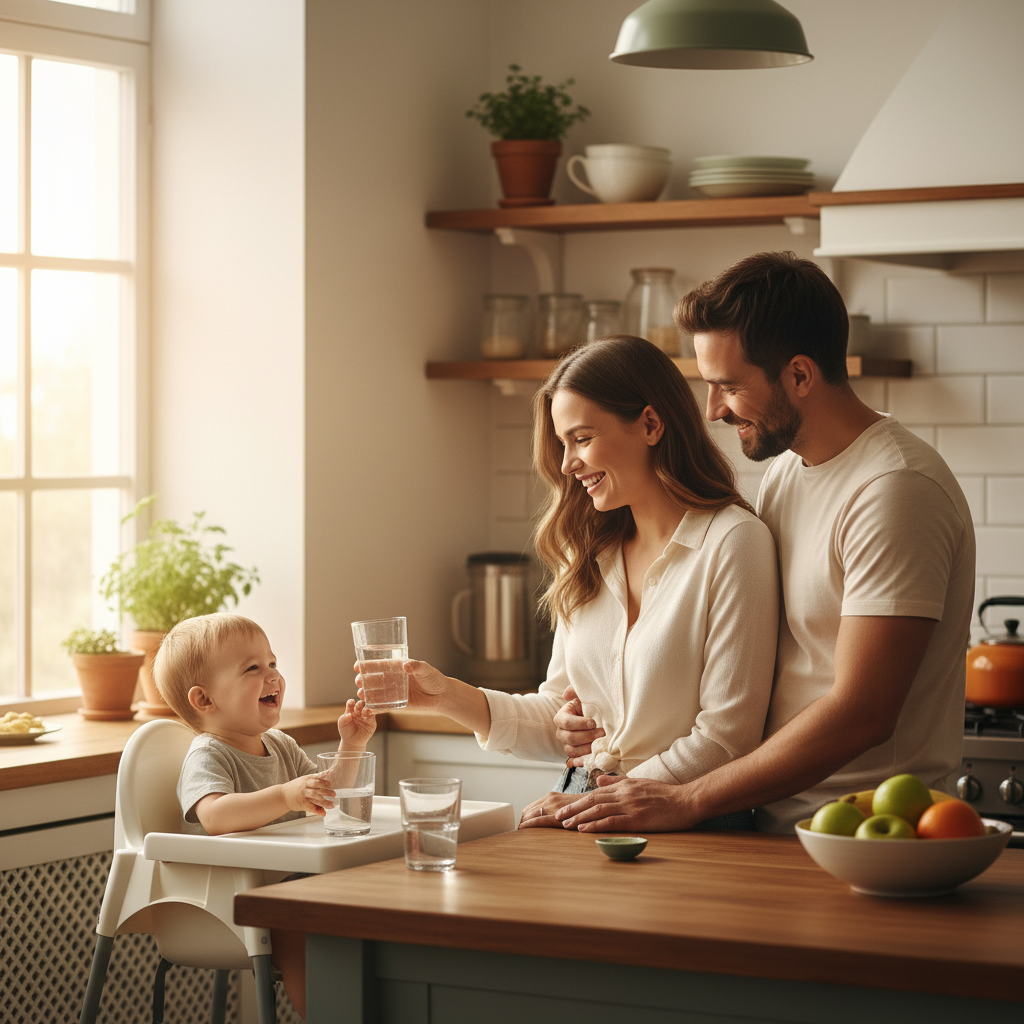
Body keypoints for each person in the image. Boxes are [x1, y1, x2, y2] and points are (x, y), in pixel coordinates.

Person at [551, 251, 975, 835]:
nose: (713, 410)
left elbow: (863, 713)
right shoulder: (789, 471)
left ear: (800, 375)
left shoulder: (894, 489)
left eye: (728, 386)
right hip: (773, 820)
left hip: (870, 831)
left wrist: (688, 799)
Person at [368, 335, 780, 828]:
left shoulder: (734, 542)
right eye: (563, 444)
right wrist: (445, 697)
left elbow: (727, 738)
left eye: (582, 439)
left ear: (651, 424)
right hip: (589, 806)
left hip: (691, 825)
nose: (567, 465)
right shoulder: (587, 552)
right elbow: (558, 715)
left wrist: (595, 797)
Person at [154, 612, 376, 1021]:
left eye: (272, 663)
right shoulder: (208, 754)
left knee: (361, 906)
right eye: (252, 668)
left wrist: (351, 745)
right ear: (204, 700)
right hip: (226, 904)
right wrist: (285, 794)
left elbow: (326, 794)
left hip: (286, 886)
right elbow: (216, 816)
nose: (272, 675)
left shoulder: (280, 744)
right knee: (300, 921)